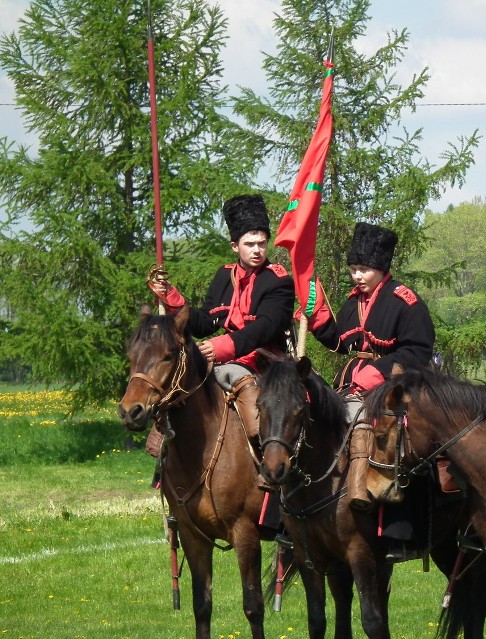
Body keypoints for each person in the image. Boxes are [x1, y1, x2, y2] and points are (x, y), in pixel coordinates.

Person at [304, 222, 435, 560]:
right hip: (352, 382)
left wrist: (376, 374)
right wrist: (315, 311)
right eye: (354, 269)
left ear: (381, 268)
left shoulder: (405, 301)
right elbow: (339, 341)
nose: (357, 276)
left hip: (398, 387)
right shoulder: (353, 302)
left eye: (364, 269)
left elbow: (418, 353)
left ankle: (393, 524)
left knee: (393, 437)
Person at [147, 194, 295, 461]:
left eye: (261, 243)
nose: (257, 250)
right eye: (249, 244)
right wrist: (171, 297)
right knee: (176, 388)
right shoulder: (223, 276)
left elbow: (265, 328)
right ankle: (169, 461)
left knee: (255, 416)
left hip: (266, 363)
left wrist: (221, 346)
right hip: (225, 360)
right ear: (234, 246)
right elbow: (205, 322)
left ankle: (268, 467)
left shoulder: (279, 280)